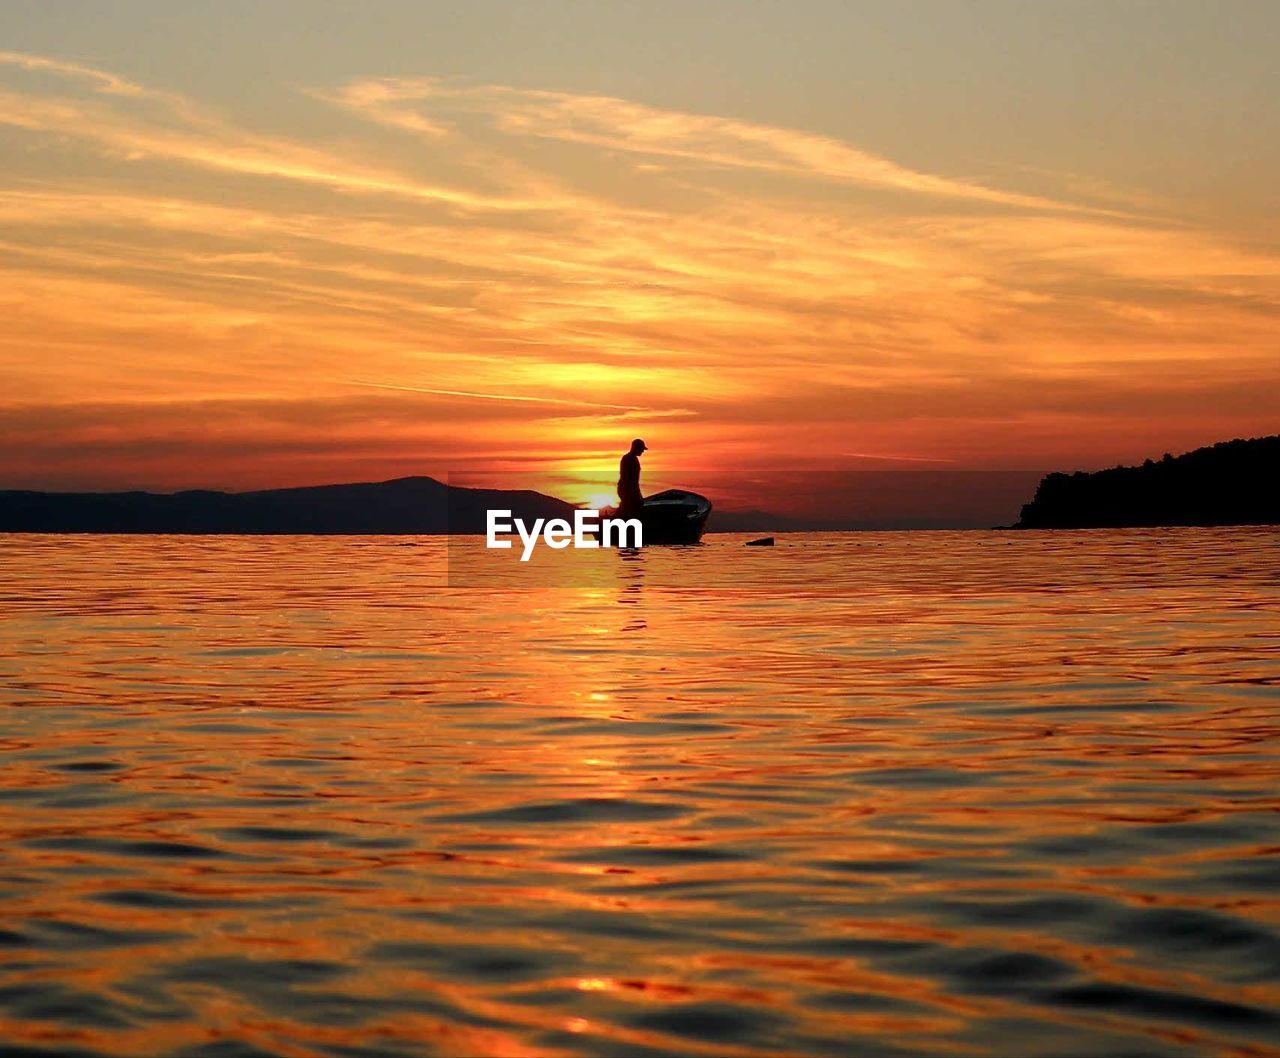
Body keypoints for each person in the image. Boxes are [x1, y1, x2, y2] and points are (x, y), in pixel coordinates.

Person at [617, 438, 647, 518]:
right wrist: (637, 494)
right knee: (631, 511)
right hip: (628, 490)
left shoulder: (630, 458)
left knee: (628, 510)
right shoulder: (630, 459)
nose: (643, 451)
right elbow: (630, 480)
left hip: (627, 490)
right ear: (637, 448)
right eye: (641, 449)